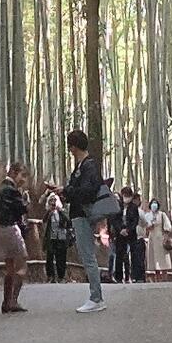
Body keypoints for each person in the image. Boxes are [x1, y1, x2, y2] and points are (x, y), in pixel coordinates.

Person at [63, 127, 110, 310]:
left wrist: (68, 191)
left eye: (70, 147)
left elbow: (88, 192)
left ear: (74, 147)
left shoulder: (88, 165)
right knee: (87, 255)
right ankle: (95, 296)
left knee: (88, 256)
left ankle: (96, 298)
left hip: (83, 214)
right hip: (78, 213)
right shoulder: (82, 165)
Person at [0, 163, 31, 314]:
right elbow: (23, 209)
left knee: (9, 267)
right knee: (22, 265)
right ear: (14, 173)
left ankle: (6, 302)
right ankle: (12, 301)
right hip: (10, 229)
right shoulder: (12, 191)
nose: (24, 180)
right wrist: (26, 202)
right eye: (23, 175)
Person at [41, 186, 72, 283]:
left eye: (55, 200)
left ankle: (61, 277)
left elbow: (68, 221)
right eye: (51, 200)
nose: (53, 202)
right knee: (49, 257)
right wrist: (49, 211)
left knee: (61, 258)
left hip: (61, 237)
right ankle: (50, 276)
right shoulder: (49, 212)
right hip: (51, 237)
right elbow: (44, 221)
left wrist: (60, 211)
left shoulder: (62, 211)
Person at [116, 176, 144, 282]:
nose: (126, 198)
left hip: (131, 233)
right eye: (124, 195)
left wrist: (128, 230)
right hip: (120, 233)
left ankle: (135, 276)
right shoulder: (118, 206)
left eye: (128, 196)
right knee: (120, 255)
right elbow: (115, 219)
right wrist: (120, 230)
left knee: (134, 255)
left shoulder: (134, 208)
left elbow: (135, 221)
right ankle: (119, 277)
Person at [145, 199, 172, 278]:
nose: (154, 205)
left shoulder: (162, 215)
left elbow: (168, 227)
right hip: (152, 237)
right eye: (152, 203)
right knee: (154, 258)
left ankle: (164, 277)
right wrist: (149, 227)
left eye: (155, 203)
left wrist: (166, 236)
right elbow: (145, 227)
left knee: (163, 259)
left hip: (161, 237)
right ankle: (156, 277)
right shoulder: (147, 215)